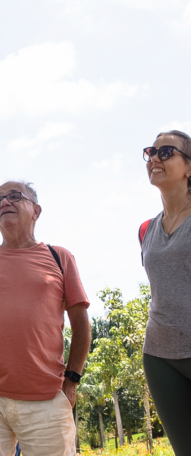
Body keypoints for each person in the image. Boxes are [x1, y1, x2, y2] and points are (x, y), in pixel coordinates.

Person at [0, 181, 91, 456]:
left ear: (36, 211)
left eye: (14, 196)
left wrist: (72, 380)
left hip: (47, 397)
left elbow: (81, 323)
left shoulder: (59, 256)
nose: (4, 202)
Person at [140, 130, 191, 454]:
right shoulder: (146, 229)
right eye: (150, 152)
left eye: (166, 152)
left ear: (188, 166)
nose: (154, 159)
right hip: (160, 355)